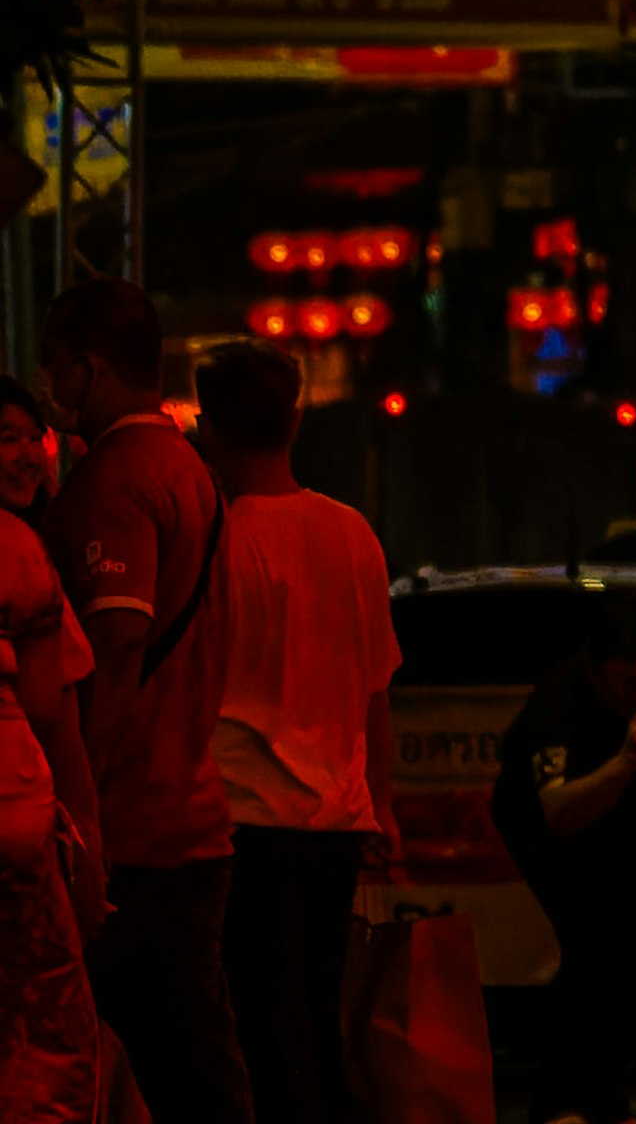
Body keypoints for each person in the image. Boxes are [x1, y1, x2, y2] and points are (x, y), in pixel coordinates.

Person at [38, 282, 246, 1124]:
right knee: (191, 1057)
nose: (52, 390)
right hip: (188, 814)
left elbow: (116, 652)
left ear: (87, 370)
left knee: (135, 1064)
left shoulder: (116, 481)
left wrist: (75, 815)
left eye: (55, 369)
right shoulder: (188, 468)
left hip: (130, 832)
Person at [196, 347, 393, 1124]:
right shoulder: (353, 534)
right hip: (337, 819)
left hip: (241, 816)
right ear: (296, 420)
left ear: (207, 430)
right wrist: (382, 800)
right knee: (320, 1021)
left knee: (260, 1033)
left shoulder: (219, 540)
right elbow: (378, 685)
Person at [491, 616, 636, 1124]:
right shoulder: (559, 706)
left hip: (627, 824)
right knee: (590, 944)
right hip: (549, 823)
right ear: (597, 673)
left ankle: (607, 1095)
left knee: (634, 952)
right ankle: (562, 1101)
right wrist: (624, 761)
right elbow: (557, 813)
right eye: (629, 682)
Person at [0, 373, 106, 1124]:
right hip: (18, 842)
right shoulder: (17, 552)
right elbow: (52, 717)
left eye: (30, 436)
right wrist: (89, 845)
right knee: (50, 1046)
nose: (26, 456)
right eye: (3, 438)